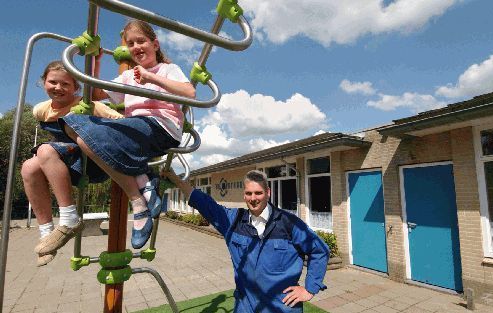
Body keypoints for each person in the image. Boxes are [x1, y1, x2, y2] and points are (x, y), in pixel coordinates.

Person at [55, 20, 196, 250]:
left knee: (89, 134)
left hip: (161, 127)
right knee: (73, 126)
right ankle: (141, 190)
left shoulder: (167, 69)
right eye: (131, 43)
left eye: (141, 41)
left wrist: (151, 78)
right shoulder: (129, 76)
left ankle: (139, 199)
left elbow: (189, 92)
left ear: (155, 44)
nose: (136, 47)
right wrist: (96, 62)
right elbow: (96, 93)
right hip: (135, 127)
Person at [164, 169, 330, 313]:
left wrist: (309, 289)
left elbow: (320, 250)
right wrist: (176, 179)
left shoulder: (289, 223)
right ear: (244, 195)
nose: (253, 198)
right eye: (249, 193)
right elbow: (204, 202)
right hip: (245, 306)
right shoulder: (233, 221)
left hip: (282, 307)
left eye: (258, 193)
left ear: (268, 193)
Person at [21, 60, 123, 266]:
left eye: (66, 84)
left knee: (45, 149)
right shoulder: (41, 110)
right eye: (53, 82)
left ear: (76, 88)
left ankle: (69, 217)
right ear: (44, 82)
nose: (58, 88)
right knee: (28, 167)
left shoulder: (87, 105)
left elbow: (120, 119)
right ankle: (46, 232)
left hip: (90, 163)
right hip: (65, 165)